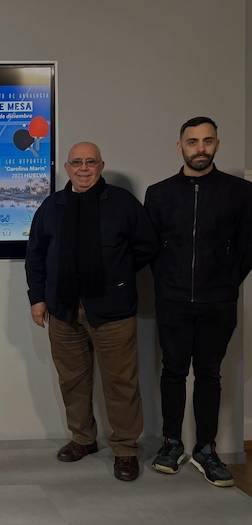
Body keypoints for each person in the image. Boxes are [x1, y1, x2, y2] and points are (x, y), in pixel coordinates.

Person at [25, 141, 158, 482]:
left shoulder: (123, 203)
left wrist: (119, 274)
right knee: (73, 380)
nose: (83, 168)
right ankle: (83, 439)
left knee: (120, 383)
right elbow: (36, 254)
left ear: (101, 165)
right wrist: (37, 299)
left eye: (90, 162)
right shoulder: (52, 206)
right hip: (63, 311)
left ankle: (126, 449)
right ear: (67, 168)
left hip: (113, 311)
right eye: (76, 163)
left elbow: (147, 245)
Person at [145, 116, 252, 487]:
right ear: (181, 147)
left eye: (207, 141)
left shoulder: (239, 192)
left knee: (209, 374)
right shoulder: (159, 194)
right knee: (173, 372)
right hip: (173, 301)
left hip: (217, 303)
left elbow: (246, 249)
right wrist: (168, 285)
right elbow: (151, 248)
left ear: (217, 145)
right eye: (193, 142)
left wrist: (223, 284)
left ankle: (206, 449)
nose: (200, 148)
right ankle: (172, 444)